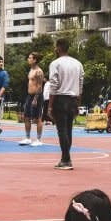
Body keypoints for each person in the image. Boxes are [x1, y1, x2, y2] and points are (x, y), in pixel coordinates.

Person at [47, 38, 84, 170]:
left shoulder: (55, 63)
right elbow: (80, 83)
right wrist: (78, 102)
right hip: (73, 98)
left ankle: (66, 159)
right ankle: (65, 157)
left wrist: (50, 105)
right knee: (68, 130)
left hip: (60, 98)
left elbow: (54, 85)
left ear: (58, 48)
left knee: (61, 130)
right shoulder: (78, 64)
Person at [20, 51, 45, 147]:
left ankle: (38, 139)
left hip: (37, 96)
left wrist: (35, 98)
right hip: (29, 96)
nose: (28, 59)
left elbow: (39, 87)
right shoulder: (31, 70)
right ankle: (27, 138)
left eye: (30, 58)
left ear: (35, 60)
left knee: (37, 118)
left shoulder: (39, 72)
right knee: (26, 117)